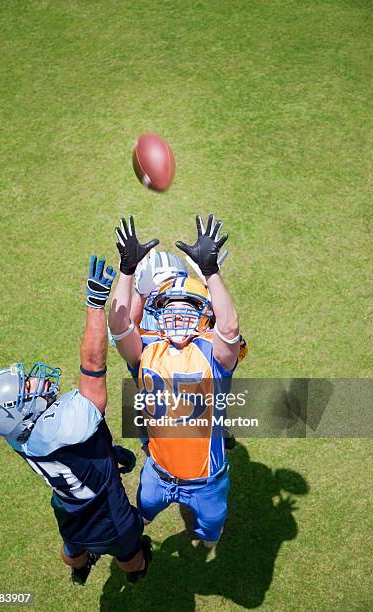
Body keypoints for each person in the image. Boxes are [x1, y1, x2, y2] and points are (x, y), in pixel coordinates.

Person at [0, 257, 152, 585]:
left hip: (68, 508)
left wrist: (107, 455)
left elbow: (73, 452)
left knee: (73, 546)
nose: (37, 382)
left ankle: (78, 567)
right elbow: (92, 362)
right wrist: (94, 303)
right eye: (28, 389)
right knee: (132, 555)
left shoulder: (17, 435)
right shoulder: (70, 423)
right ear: (25, 414)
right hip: (108, 516)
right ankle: (136, 573)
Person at [109, 214, 247, 547]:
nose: (178, 315)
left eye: (188, 309)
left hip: (205, 483)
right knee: (143, 511)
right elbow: (119, 327)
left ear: (203, 315)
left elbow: (229, 331)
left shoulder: (213, 352)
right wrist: (126, 273)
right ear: (158, 311)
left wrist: (212, 274)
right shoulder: (148, 347)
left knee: (210, 534)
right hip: (157, 472)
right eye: (170, 308)